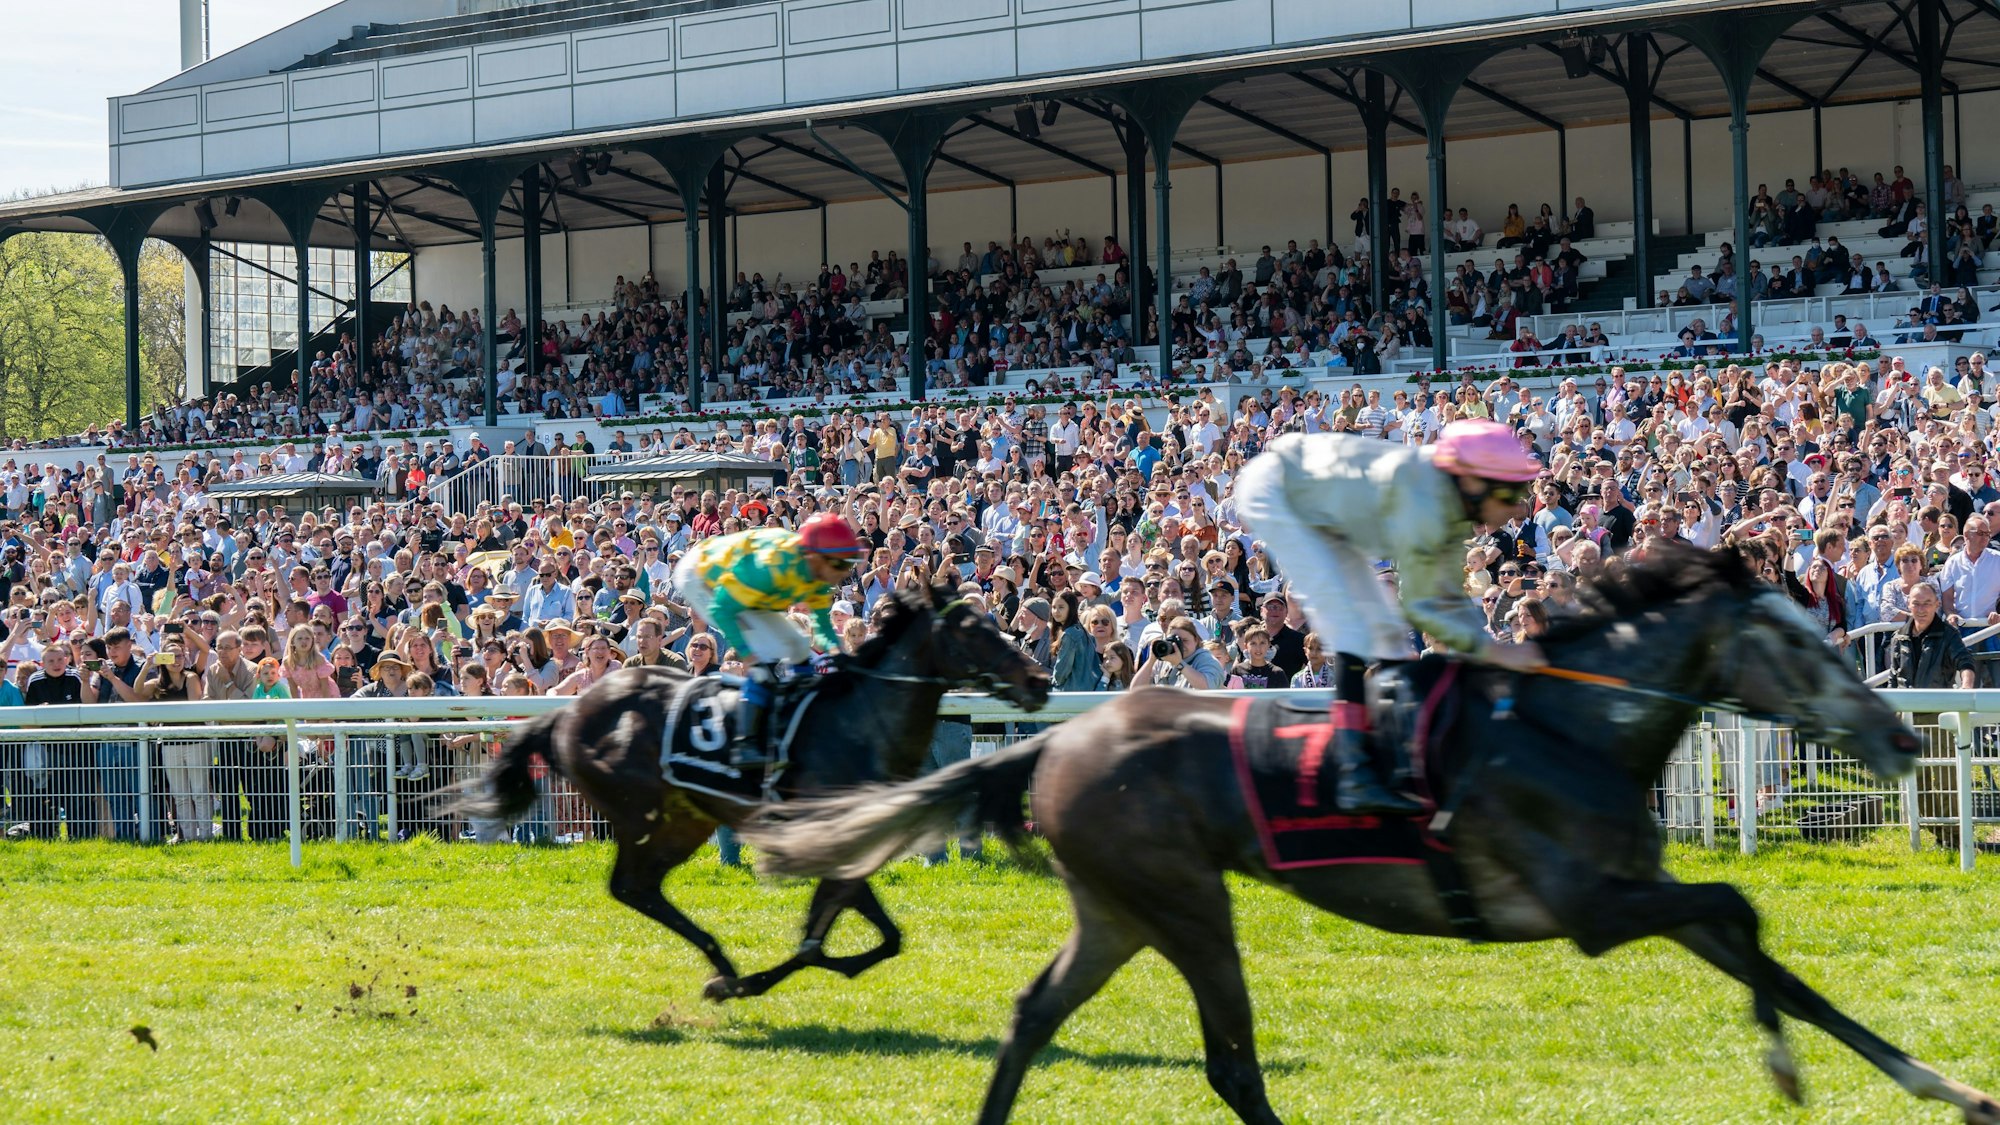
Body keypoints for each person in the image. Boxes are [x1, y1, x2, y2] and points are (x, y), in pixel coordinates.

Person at [1234, 418, 1547, 814]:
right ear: (1473, 482)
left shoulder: (1447, 505)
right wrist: (1497, 653)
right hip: (1278, 493)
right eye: (1507, 492)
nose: (1513, 505)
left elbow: (1446, 599)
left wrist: (1490, 648)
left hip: (1323, 509)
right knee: (1355, 630)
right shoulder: (1425, 501)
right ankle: (1354, 775)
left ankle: (1391, 757)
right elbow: (1422, 604)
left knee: (1388, 634)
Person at [674, 512, 862, 767]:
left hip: (745, 591)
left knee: (797, 644)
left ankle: (796, 716)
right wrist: (747, 654)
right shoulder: (771, 565)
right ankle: (745, 742)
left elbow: (820, 624)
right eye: (839, 564)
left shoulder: (817, 573)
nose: (844, 572)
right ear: (814, 557)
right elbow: (721, 609)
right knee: (763, 658)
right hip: (699, 577)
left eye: (847, 563)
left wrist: (841, 656)